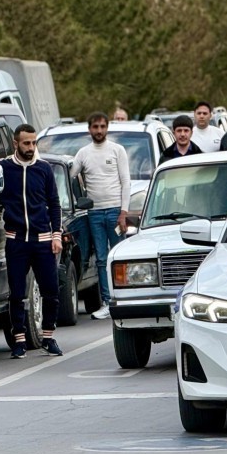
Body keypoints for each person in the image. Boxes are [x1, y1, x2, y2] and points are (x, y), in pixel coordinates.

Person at [0, 125, 63, 358]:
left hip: (43, 240)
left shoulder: (44, 169)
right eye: (26, 143)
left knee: (51, 290)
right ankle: (19, 340)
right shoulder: (3, 168)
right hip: (16, 241)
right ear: (16, 144)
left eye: (34, 143)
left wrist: (57, 235)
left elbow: (54, 204)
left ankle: (48, 336)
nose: (31, 147)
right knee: (17, 292)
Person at [71, 113, 130, 314]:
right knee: (102, 259)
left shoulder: (117, 150)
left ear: (107, 128)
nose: (99, 131)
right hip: (94, 212)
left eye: (102, 126)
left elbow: (126, 182)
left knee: (119, 256)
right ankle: (107, 301)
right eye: (95, 127)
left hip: (115, 211)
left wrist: (123, 212)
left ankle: (122, 297)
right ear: (89, 129)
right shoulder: (83, 153)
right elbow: (70, 174)